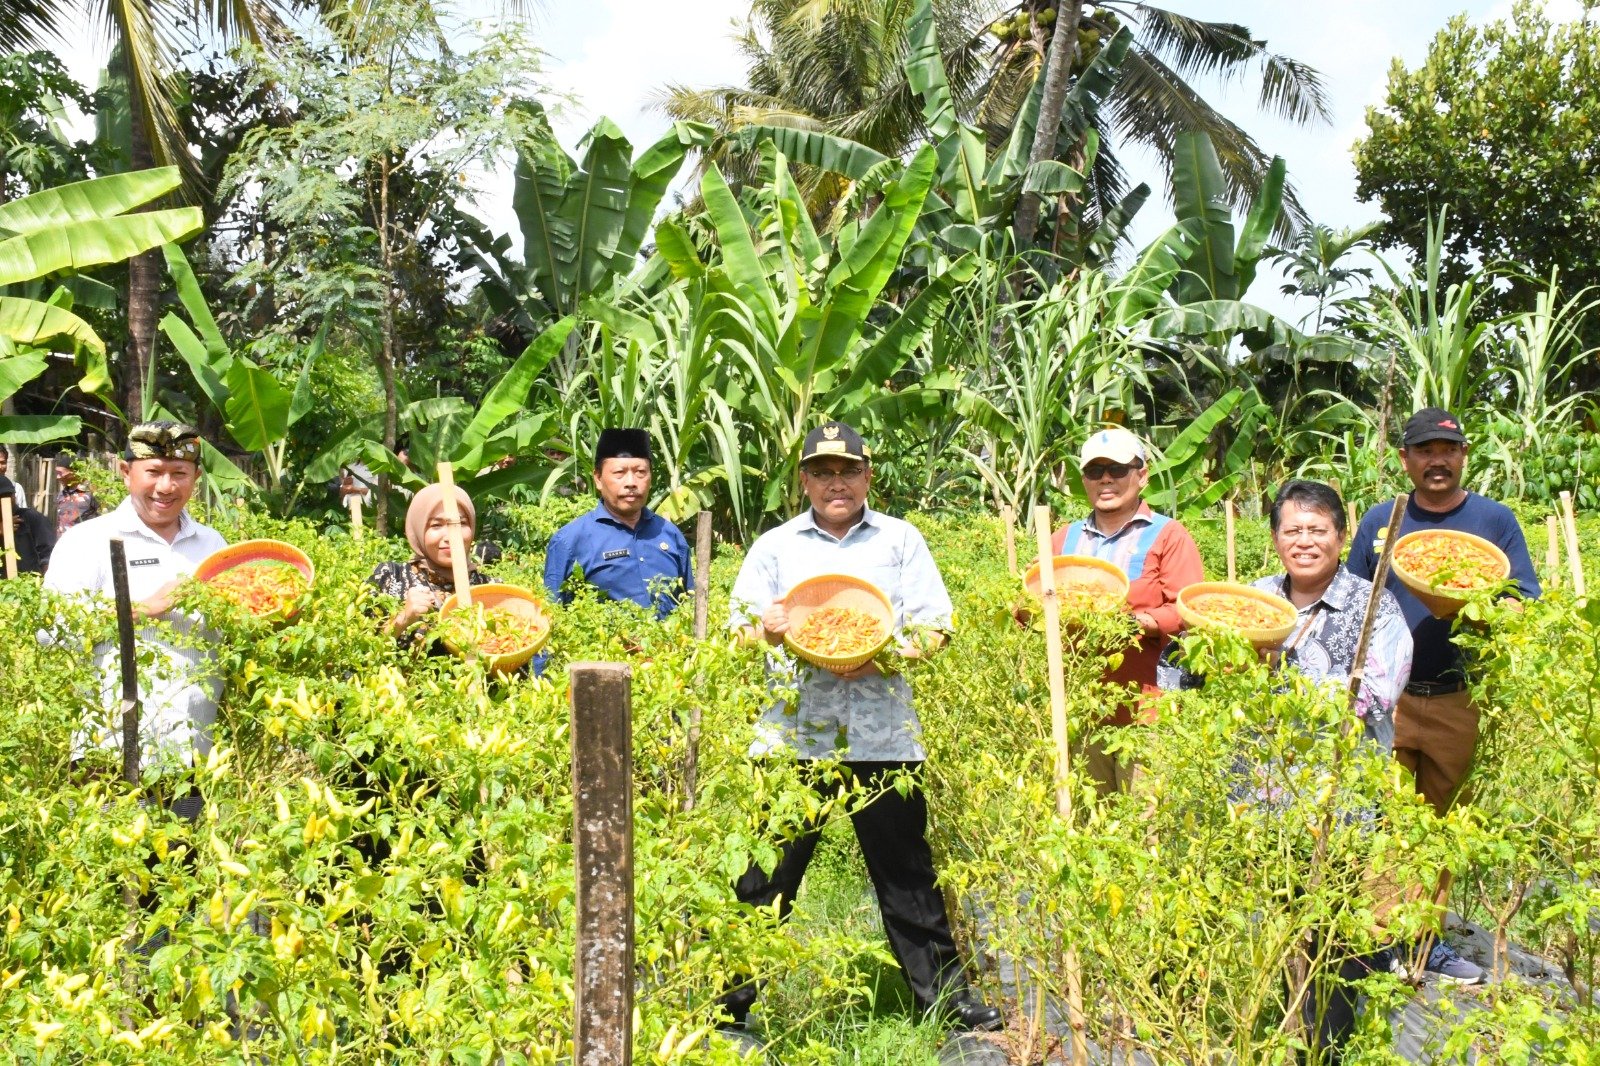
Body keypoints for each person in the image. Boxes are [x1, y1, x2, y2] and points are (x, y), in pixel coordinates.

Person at [722, 420, 1001, 1039]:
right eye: (822, 472)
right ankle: (728, 1005)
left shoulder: (900, 541)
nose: (836, 483)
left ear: (868, 475)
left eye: (847, 471)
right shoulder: (774, 547)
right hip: (792, 738)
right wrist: (766, 630)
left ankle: (947, 1001)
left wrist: (885, 652)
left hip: (884, 737)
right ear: (803, 482)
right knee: (766, 876)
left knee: (906, 874)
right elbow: (735, 634)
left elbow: (936, 627)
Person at [1162, 480, 1411, 1061]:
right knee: (1276, 922)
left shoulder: (1374, 604)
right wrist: (1214, 661)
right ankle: (1282, 1027)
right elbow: (1181, 672)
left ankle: (1330, 1045)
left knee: (1337, 929)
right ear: (1274, 538)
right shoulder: (1251, 601)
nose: (1305, 541)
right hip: (1257, 798)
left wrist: (1277, 674)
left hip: (1338, 799)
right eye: (1292, 530)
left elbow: (1377, 692)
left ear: (1340, 537)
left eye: (1318, 530)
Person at [1347, 407, 1540, 985]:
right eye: (1424, 450)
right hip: (1389, 699)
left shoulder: (1493, 521)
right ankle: (1379, 943)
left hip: (1459, 697)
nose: (1438, 460)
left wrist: (1471, 604)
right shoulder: (1384, 520)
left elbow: (1523, 600)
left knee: (1438, 825)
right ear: (1404, 459)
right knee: (1382, 822)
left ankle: (1425, 942)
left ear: (1463, 456)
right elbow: (1351, 595)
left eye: (1448, 450)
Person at [43, 422, 228, 787]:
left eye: (179, 474)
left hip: (195, 750)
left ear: (196, 478)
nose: (166, 486)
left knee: (187, 843)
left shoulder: (212, 544)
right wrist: (142, 608)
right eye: (154, 472)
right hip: (109, 749)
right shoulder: (88, 541)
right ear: (126, 472)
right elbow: (51, 632)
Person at [1047, 427, 1203, 794]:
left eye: (1117, 469)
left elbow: (1187, 608)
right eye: (1095, 470)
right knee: (1089, 821)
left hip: (1147, 710)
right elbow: (1031, 602)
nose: (1105, 479)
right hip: (1080, 709)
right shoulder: (1062, 539)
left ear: (1141, 475)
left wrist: (1140, 623)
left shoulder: (1169, 535)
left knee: (1146, 826)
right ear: (1083, 479)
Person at [543, 428, 693, 618]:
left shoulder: (669, 534)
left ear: (650, 477)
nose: (631, 482)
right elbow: (550, 616)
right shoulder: (569, 541)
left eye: (640, 472)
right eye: (619, 473)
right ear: (598, 478)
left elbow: (691, 605)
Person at [369, 483, 492, 652]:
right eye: (436, 525)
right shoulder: (390, 577)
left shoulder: (489, 588)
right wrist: (403, 619)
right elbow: (360, 654)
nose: (450, 536)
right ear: (418, 529)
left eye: (460, 523)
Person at [0, 474, 56, 574]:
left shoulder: (31, 518)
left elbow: (48, 553)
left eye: (8, 496)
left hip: (28, 585)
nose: (5, 501)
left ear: (14, 495)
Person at [54, 451, 99, 534]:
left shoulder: (91, 492)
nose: (57, 477)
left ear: (73, 472)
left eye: (60, 473)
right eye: (57, 473)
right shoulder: (62, 494)